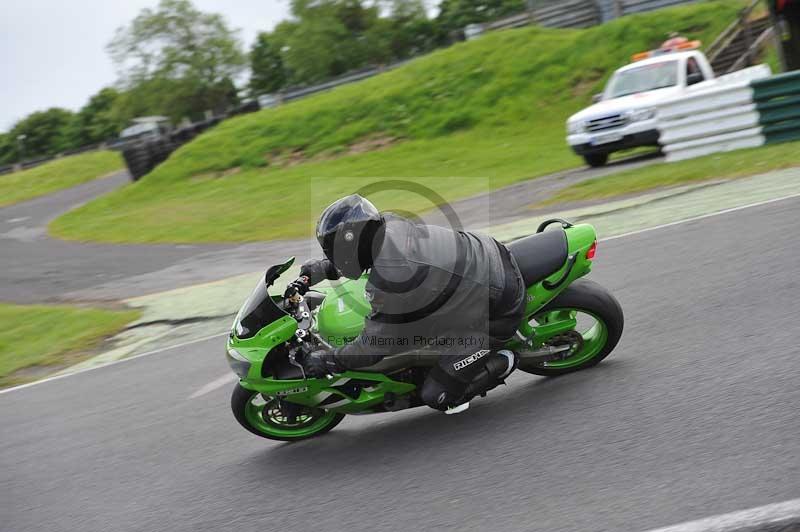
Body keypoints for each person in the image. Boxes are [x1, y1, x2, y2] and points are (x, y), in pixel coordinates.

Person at [288, 194, 526, 412]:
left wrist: (329, 360)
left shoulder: (393, 278)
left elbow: (374, 347)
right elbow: (351, 259)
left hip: (498, 309)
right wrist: (306, 278)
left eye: (337, 250)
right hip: (486, 253)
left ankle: (506, 359)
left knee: (438, 395)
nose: (335, 257)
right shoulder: (389, 224)